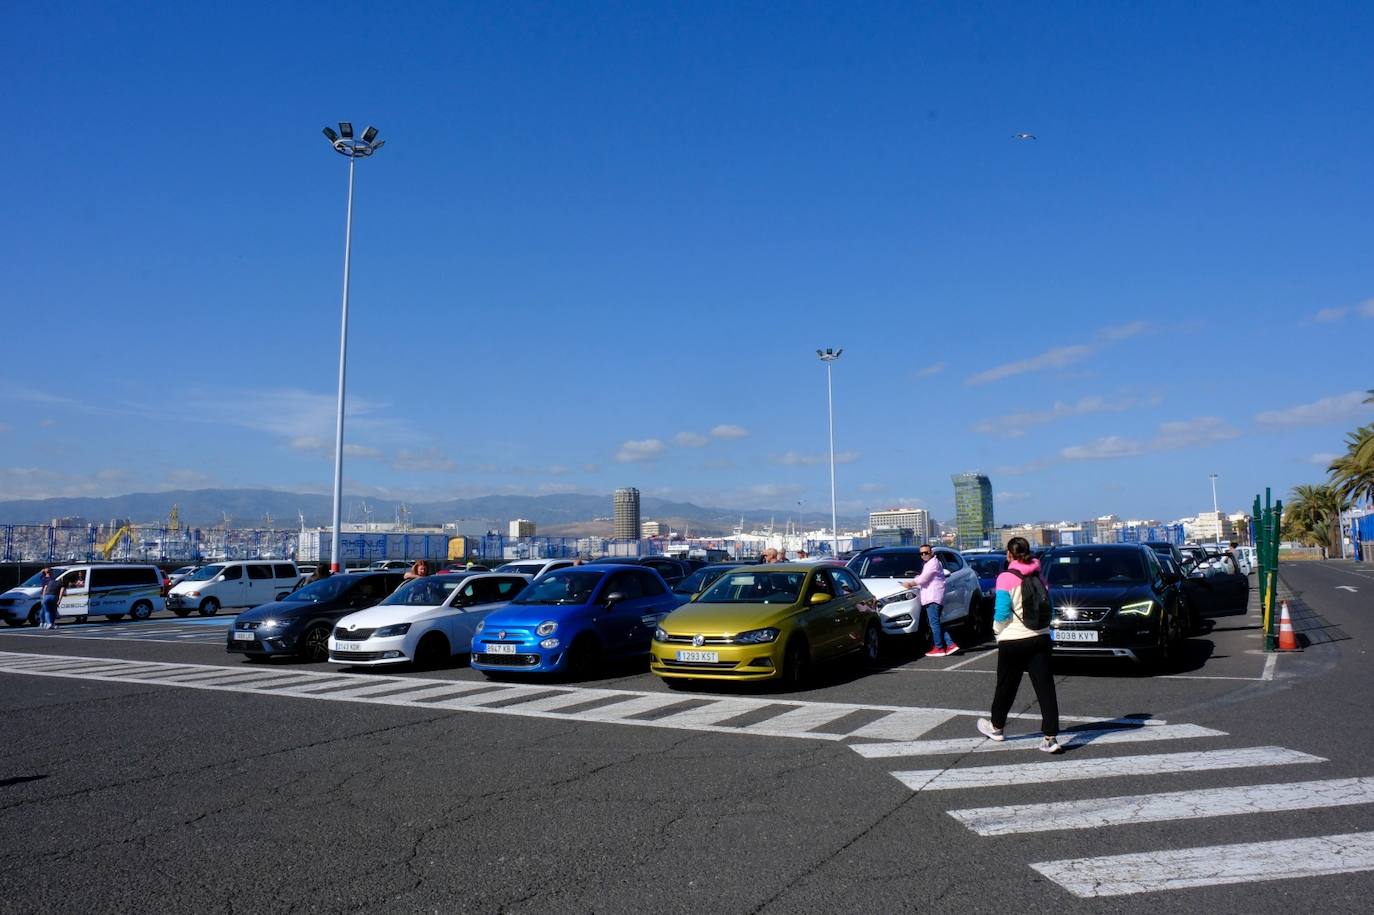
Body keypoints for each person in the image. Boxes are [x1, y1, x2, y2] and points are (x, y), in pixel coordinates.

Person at [978, 536, 1062, 754]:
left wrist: (996, 630)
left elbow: (1003, 611)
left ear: (1009, 554)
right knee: (1045, 687)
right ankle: (1050, 737)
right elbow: (1050, 606)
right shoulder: (1039, 574)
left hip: (1014, 639)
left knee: (1006, 685)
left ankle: (997, 727)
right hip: (1040, 637)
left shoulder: (1005, 577)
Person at [902, 544, 956, 657]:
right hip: (931, 597)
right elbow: (922, 578)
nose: (923, 555)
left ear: (931, 553)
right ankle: (950, 644)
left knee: (934, 624)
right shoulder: (929, 564)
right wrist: (914, 581)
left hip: (933, 597)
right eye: (921, 553)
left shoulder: (933, 563)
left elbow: (924, 578)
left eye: (926, 552)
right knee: (936, 623)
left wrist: (910, 584)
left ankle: (939, 648)